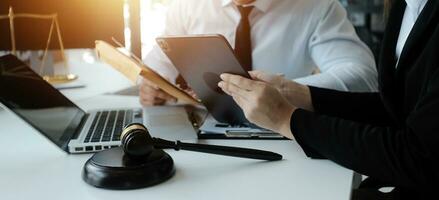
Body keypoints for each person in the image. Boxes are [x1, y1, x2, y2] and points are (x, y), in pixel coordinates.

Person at [218, 0, 437, 198]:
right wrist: (299, 94)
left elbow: (420, 157)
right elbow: (397, 109)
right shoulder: (406, 6)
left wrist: (287, 119)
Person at [139, 0, 378, 106]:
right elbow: (157, 64)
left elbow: (363, 77)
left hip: (282, 131)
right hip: (200, 127)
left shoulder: (317, 6)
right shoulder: (188, 5)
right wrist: (153, 85)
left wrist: (284, 90)